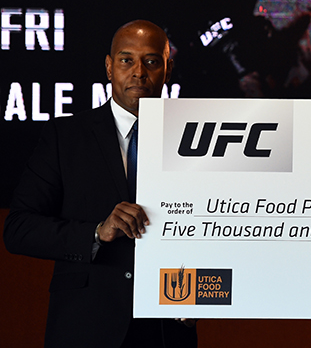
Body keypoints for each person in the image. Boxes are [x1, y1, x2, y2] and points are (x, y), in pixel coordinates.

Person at [3, 20, 197, 348]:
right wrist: (96, 232)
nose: (138, 72)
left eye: (151, 61)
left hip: (168, 328)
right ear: (109, 67)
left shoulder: (197, 140)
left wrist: (199, 292)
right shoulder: (64, 137)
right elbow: (19, 229)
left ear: (168, 69)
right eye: (126, 60)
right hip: (85, 326)